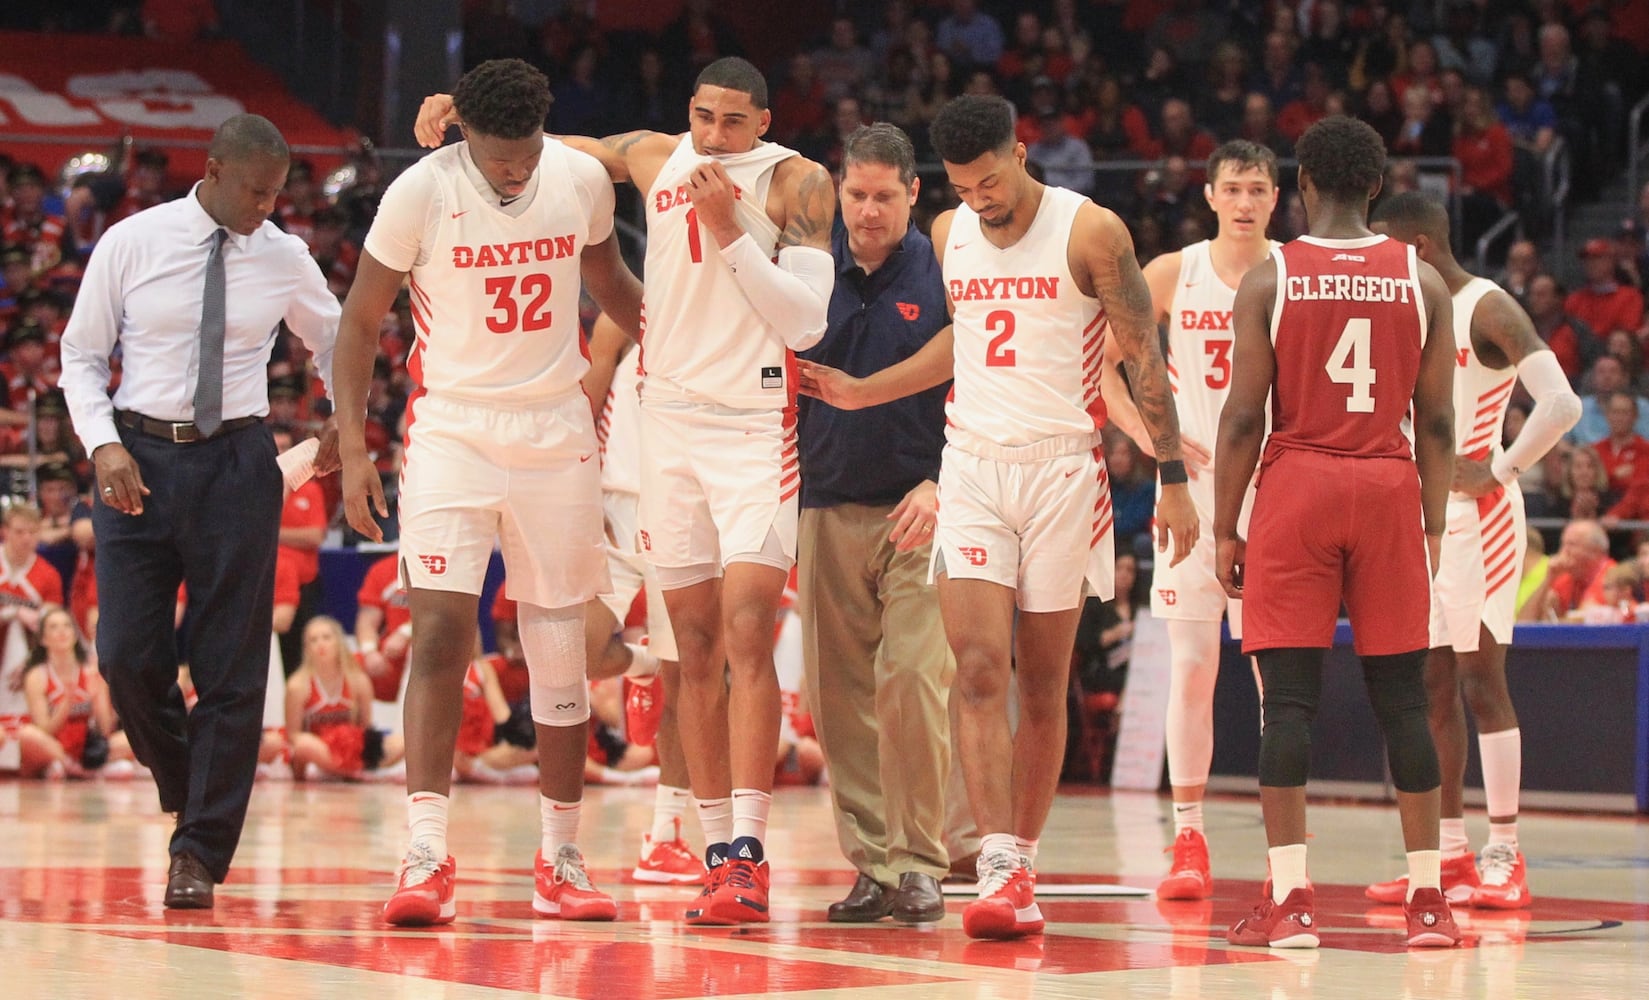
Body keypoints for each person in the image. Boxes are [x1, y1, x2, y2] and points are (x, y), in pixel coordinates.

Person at [412, 54, 836, 925]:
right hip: (668, 427)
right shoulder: (654, 157)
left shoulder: (799, 182)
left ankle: (748, 848)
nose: (714, 134)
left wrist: (729, 231)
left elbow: (805, 321)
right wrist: (465, 111)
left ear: (761, 121)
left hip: (754, 424)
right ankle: (711, 849)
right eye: (703, 116)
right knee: (691, 647)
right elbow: (561, 146)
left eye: (731, 120)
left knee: (750, 626)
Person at [336, 59, 642, 928]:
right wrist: (354, 445)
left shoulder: (578, 179)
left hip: (555, 429)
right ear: (463, 132)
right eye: (500, 156)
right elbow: (362, 320)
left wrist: (684, 342)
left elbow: (612, 284)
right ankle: (426, 851)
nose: (516, 168)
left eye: (526, 154)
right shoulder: (420, 192)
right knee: (437, 629)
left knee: (556, 644)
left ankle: (560, 856)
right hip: (453, 430)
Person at [924, 94, 1197, 941]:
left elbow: (1144, 358)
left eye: (991, 180)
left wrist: (1173, 474)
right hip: (970, 465)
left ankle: (1025, 860)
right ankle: (997, 860)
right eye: (964, 187)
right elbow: (963, 341)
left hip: (1060, 474)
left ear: (1021, 148)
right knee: (975, 670)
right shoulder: (944, 233)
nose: (980, 200)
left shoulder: (1092, 231)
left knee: (1041, 683)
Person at [57, 113, 339, 909]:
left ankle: (199, 855)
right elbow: (80, 356)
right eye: (255, 191)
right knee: (125, 658)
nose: (266, 207)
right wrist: (102, 445)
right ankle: (188, 780)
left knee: (230, 668)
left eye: (277, 194)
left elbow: (336, 336)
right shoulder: (133, 241)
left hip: (236, 462)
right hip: (133, 458)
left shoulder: (283, 255)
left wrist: (340, 412)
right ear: (213, 171)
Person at [1214, 115, 1461, 949]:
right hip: (1387, 483)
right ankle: (1429, 900)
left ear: (1305, 187)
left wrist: (1223, 525)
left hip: (1300, 482)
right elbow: (1435, 422)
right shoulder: (1422, 281)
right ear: (1379, 187)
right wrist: (1429, 524)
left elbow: (1243, 416)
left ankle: (1292, 904)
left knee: (1286, 705)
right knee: (1404, 704)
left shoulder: (1270, 275)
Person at [1362, 191, 1579, 912]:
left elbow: (1561, 404)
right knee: (1427, 683)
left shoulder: (1488, 307)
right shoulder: (1406, 308)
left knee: (1481, 681)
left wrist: (1502, 466)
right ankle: (1448, 857)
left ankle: (1505, 853)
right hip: (1417, 519)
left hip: (1477, 516)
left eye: (1387, 250)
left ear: (1417, 247)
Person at [785, 123, 965, 924]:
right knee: (839, 701)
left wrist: (943, 482)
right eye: (855, 193)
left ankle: (920, 861)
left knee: (911, 682)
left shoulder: (945, 268)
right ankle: (872, 867)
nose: (867, 210)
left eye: (884, 196)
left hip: (919, 508)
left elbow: (981, 383)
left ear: (913, 194)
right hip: (822, 504)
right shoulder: (806, 266)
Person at [1100, 139, 1281, 902]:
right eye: (1232, 189)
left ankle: (1285, 848)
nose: (1244, 202)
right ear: (1209, 195)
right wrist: (1149, 438)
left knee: (1279, 676)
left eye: (1258, 190)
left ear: (1276, 198)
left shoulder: (1292, 273)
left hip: (1274, 496)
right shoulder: (1173, 271)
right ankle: (1188, 838)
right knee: (1193, 667)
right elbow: (1104, 365)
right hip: (1193, 494)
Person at [580, 311, 700, 886]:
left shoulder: (726, 305)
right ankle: (641, 666)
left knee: (689, 676)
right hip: (613, 505)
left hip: (680, 507)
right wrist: (579, 496)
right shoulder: (621, 314)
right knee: (572, 650)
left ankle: (666, 833)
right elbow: (584, 410)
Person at [284, 616, 402, 780]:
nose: (320, 644)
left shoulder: (358, 680)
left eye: (326, 638)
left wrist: (352, 747)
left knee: (401, 743)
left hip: (353, 752)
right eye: (313, 640)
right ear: (306, 648)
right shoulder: (298, 685)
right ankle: (351, 772)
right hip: (320, 752)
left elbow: (367, 729)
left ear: (338, 642)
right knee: (303, 744)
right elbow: (293, 735)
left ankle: (350, 769)